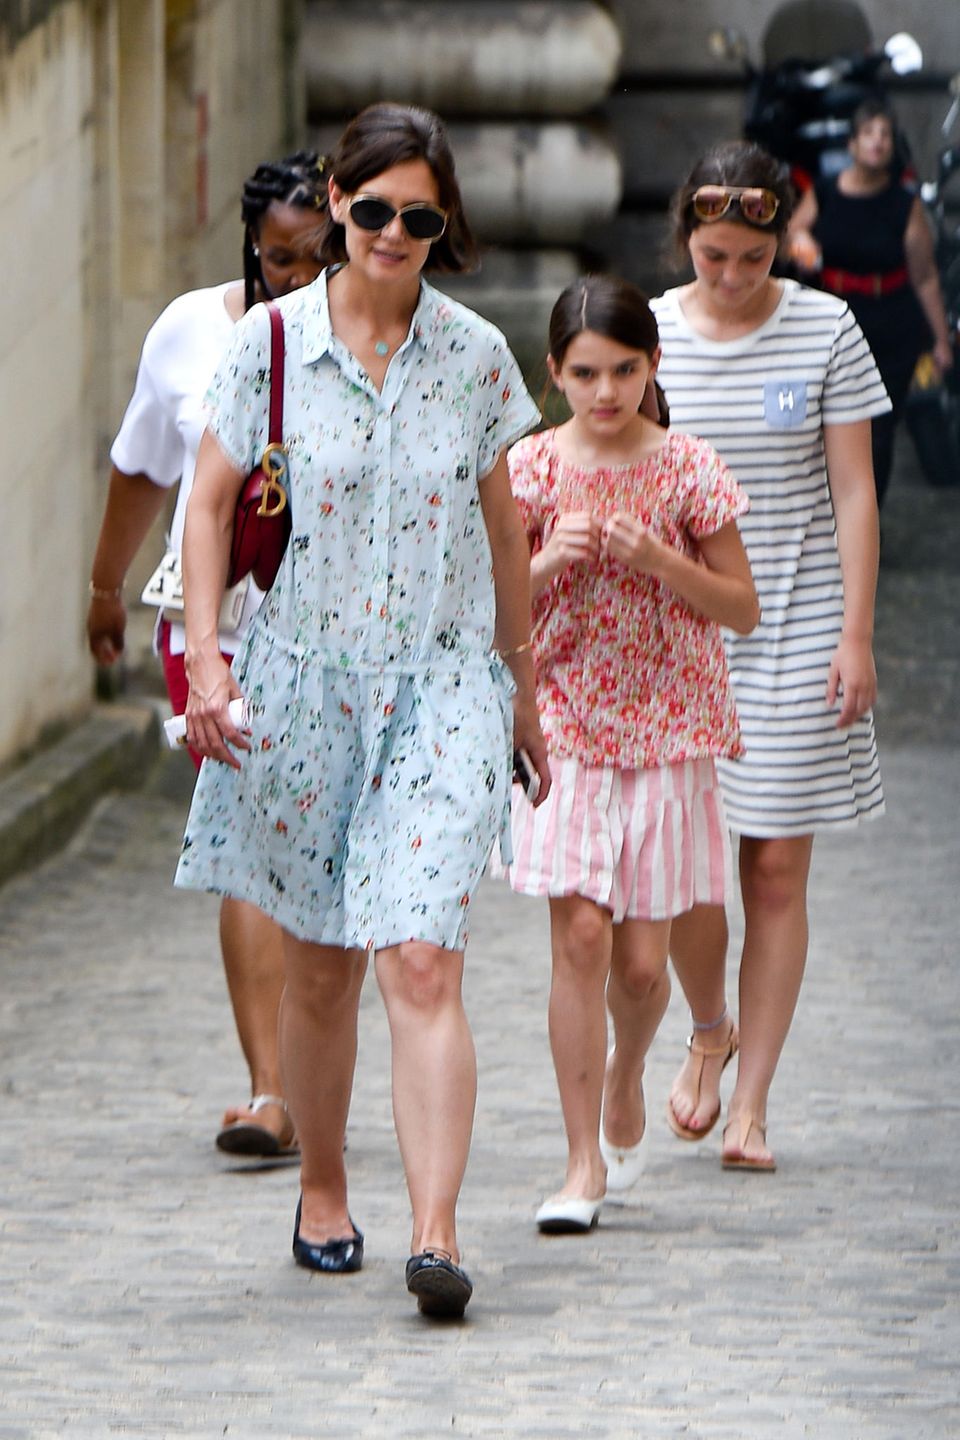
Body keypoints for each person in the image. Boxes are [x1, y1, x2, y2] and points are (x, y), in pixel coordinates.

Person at [173, 102, 550, 1318]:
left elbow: (505, 532)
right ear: (336, 202)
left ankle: (435, 1233)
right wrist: (210, 663)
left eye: (421, 216)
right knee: (325, 966)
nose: (395, 232)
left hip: (443, 685)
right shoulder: (269, 345)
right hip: (302, 685)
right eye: (375, 209)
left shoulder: (480, 357)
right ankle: (325, 1186)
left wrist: (523, 692)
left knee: (425, 960)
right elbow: (207, 504)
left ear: (446, 226)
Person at [651, 141, 888, 1171]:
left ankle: (752, 1106)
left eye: (752, 258)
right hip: (675, 638)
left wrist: (858, 634)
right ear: (687, 244)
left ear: (781, 241)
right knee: (686, 872)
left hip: (794, 621)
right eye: (713, 258)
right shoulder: (649, 333)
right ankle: (709, 1026)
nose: (734, 278)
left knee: (777, 867)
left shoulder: (827, 327)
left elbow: (853, 491)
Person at [504, 276, 759, 1231]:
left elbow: (742, 605)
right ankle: (580, 1165)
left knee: (642, 965)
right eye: (584, 374)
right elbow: (483, 610)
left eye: (622, 371)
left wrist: (662, 561)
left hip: (669, 722)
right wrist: (544, 562)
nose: (604, 392)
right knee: (577, 937)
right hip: (565, 718)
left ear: (651, 368)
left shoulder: (689, 466)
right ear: (554, 374)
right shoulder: (528, 470)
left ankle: (628, 1065)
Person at [86, 153, 326, 1157]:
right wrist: (102, 585)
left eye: (321, 260)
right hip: (215, 628)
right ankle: (272, 1090)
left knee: (324, 848)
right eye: (279, 259)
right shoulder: (191, 331)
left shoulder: (395, 338)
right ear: (248, 244)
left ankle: (322, 1060)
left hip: (345, 630)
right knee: (252, 842)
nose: (299, 279)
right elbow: (142, 469)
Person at [788, 99, 954, 507]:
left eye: (885, 136)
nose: (877, 143)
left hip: (891, 324)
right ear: (853, 144)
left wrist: (941, 340)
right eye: (869, 134)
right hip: (834, 316)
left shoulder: (904, 205)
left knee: (878, 430)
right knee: (823, 421)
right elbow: (794, 230)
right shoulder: (825, 191)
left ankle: (864, 519)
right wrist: (802, 241)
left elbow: (925, 275)